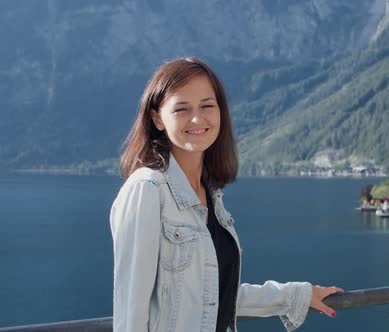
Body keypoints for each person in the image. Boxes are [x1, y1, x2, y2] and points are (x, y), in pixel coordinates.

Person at [109, 57, 343, 332]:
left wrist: (297, 296)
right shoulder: (146, 189)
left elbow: (213, 294)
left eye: (208, 105)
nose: (198, 118)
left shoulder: (209, 193)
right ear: (157, 118)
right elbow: (130, 312)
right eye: (182, 109)